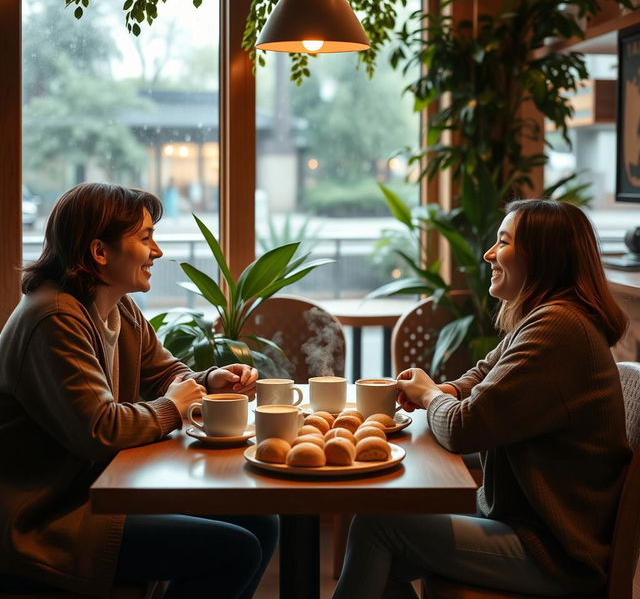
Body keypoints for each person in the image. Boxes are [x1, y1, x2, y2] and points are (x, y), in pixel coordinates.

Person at [333, 199, 632, 598]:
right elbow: (483, 374)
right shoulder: (545, 316)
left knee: (377, 527)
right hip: (526, 525)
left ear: (541, 256)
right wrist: (445, 391)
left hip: (554, 552)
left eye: (503, 242)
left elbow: (463, 429)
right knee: (381, 536)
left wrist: (428, 396)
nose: (489, 254)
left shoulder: (558, 327)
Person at [0, 183, 278, 598]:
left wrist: (206, 381)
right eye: (145, 238)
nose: (158, 252)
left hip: (100, 492)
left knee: (261, 520)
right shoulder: (54, 318)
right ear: (100, 252)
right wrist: (174, 406)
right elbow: (100, 430)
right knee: (233, 549)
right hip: (49, 517)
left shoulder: (116, 304)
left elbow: (164, 373)